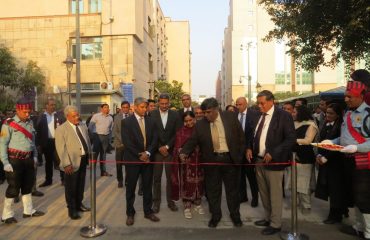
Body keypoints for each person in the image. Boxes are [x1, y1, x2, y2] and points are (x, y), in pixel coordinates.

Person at [180, 97, 245, 228]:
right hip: (211, 161)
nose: (206, 115)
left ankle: (235, 215)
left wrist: (239, 154)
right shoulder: (200, 124)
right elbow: (193, 140)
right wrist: (184, 152)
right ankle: (216, 215)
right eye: (204, 112)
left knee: (232, 191)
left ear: (216, 110)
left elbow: (241, 137)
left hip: (230, 160)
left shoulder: (230, 117)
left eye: (209, 112)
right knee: (213, 191)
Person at [323, 81, 370, 239]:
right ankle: (358, 227)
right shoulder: (348, 113)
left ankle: (369, 232)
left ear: (361, 96)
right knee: (354, 196)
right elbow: (345, 138)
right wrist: (333, 142)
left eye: (350, 96)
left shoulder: (368, 114)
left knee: (364, 198)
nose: (346, 99)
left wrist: (357, 148)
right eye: (346, 96)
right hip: (348, 160)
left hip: (363, 161)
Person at [247, 90, 296, 235]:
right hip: (258, 160)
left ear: (271, 101)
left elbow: (290, 139)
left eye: (262, 103)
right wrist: (249, 147)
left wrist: (273, 152)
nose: (259, 106)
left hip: (274, 162)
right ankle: (268, 218)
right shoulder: (257, 116)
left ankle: (276, 224)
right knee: (263, 193)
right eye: (258, 103)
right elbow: (253, 135)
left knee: (275, 195)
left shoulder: (283, 116)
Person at [0, 98, 45, 224]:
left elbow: (33, 142)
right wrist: (5, 162)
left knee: (27, 185)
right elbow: (2, 144)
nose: (27, 114)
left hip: (28, 159)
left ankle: (28, 210)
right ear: (18, 110)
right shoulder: (8, 123)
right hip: (14, 160)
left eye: (28, 112)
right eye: (25, 112)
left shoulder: (30, 122)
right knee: (14, 188)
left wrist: (35, 156)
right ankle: (6, 214)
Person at [121, 97, 159, 226]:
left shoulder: (151, 121)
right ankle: (130, 213)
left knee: (147, 186)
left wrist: (148, 153)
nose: (145, 109)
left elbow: (155, 139)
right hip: (133, 160)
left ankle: (148, 212)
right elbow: (127, 142)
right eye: (142, 107)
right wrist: (140, 154)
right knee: (130, 188)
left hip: (148, 160)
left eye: (146, 107)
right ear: (135, 107)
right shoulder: (126, 122)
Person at [315, 103, 354, 224]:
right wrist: (319, 155)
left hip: (336, 163)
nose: (328, 115)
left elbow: (340, 144)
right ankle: (341, 210)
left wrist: (326, 157)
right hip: (326, 162)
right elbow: (321, 142)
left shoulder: (341, 127)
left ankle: (335, 215)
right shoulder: (325, 125)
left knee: (335, 190)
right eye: (327, 112)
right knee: (330, 189)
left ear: (338, 115)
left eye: (331, 113)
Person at [55, 106, 91, 220]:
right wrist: (66, 164)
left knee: (80, 185)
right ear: (67, 116)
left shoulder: (82, 125)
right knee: (71, 187)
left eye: (77, 115)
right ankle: (72, 209)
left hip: (83, 159)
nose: (77, 117)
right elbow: (61, 148)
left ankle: (79, 204)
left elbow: (87, 140)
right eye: (74, 116)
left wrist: (89, 155)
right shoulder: (61, 129)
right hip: (71, 163)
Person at [151, 93, 182, 213]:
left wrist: (168, 146)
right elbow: (151, 133)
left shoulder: (175, 115)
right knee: (156, 178)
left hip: (170, 152)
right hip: (157, 151)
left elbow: (177, 133)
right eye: (162, 103)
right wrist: (159, 147)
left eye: (166, 103)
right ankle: (156, 202)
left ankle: (171, 201)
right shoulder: (152, 114)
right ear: (158, 102)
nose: (164, 106)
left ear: (169, 103)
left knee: (171, 178)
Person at [172, 111, 205, 219]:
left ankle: (197, 203)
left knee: (199, 182)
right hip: (186, 164)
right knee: (187, 183)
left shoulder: (200, 130)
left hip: (199, 162)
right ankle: (187, 206)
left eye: (191, 120)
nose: (189, 123)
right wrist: (181, 152)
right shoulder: (181, 132)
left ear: (194, 119)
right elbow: (177, 148)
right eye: (186, 121)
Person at [291, 105, 318, 215]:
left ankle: (306, 205)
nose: (292, 113)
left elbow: (308, 140)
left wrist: (292, 140)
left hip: (305, 157)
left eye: (294, 112)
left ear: (301, 113)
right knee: (294, 182)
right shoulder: (293, 124)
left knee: (304, 183)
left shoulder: (311, 125)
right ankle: (296, 203)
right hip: (293, 156)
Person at [235, 97, 259, 207]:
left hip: (249, 150)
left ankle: (255, 197)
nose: (238, 106)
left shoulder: (254, 114)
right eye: (237, 104)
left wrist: (249, 147)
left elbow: (254, 133)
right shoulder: (234, 115)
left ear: (246, 104)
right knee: (240, 176)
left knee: (251, 176)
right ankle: (242, 196)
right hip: (238, 151)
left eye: (240, 104)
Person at [36, 98, 65, 187]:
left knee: (60, 161)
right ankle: (48, 180)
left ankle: (63, 180)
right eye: (51, 105)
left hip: (58, 141)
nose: (53, 106)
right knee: (48, 163)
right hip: (47, 142)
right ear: (46, 106)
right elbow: (38, 131)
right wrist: (39, 144)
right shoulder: (41, 117)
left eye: (54, 105)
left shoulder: (59, 116)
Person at [88, 104, 113, 177]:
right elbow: (90, 127)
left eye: (108, 107)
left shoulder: (110, 118)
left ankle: (103, 171)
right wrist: (93, 136)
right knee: (95, 155)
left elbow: (110, 129)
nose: (107, 109)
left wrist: (109, 139)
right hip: (97, 137)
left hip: (105, 138)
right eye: (105, 107)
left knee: (103, 155)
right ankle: (93, 172)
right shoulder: (96, 116)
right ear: (101, 109)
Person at [113, 101, 130, 188]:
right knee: (119, 164)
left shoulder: (133, 117)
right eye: (123, 107)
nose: (125, 109)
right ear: (121, 108)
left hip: (129, 145)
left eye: (127, 107)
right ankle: (120, 180)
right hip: (119, 144)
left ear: (129, 108)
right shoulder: (116, 117)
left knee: (128, 164)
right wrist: (123, 140)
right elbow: (115, 131)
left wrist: (128, 142)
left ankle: (127, 180)